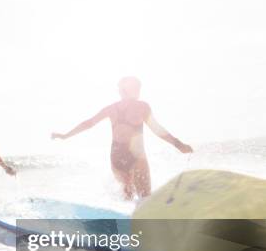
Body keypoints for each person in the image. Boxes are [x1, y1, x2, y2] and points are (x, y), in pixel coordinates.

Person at [52, 77, 192, 200]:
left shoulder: (111, 108)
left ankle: (127, 228)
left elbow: (88, 123)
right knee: (145, 198)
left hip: (117, 155)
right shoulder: (142, 106)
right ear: (129, 89)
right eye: (137, 87)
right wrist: (179, 144)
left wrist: (65, 136)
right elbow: (157, 130)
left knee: (128, 197)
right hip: (136, 155)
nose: (139, 90)